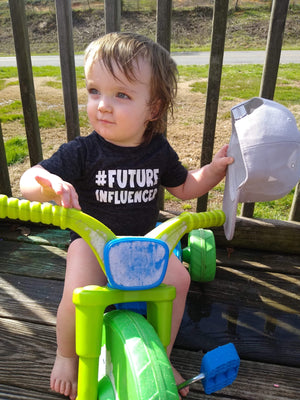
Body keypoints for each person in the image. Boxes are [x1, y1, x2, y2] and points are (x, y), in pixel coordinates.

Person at [20, 32, 233, 400]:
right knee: (77, 291)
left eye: (121, 95)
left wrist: (212, 172)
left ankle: (159, 359)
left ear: (152, 108)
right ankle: (66, 355)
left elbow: (185, 187)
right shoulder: (82, 152)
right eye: (94, 91)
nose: (102, 105)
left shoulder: (158, 151)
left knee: (179, 279)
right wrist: (49, 183)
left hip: (142, 244)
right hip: (93, 245)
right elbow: (27, 181)